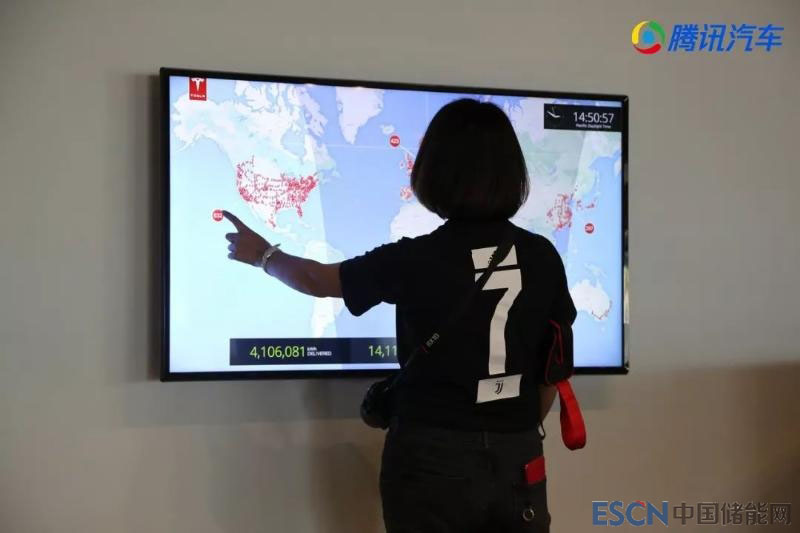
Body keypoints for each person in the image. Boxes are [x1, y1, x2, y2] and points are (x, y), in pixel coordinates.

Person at [223, 98, 577, 533]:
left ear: (434, 172)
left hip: (431, 456)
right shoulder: (542, 256)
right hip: (518, 455)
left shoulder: (418, 258)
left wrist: (263, 255)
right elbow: (552, 369)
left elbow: (318, 280)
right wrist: (514, 430)